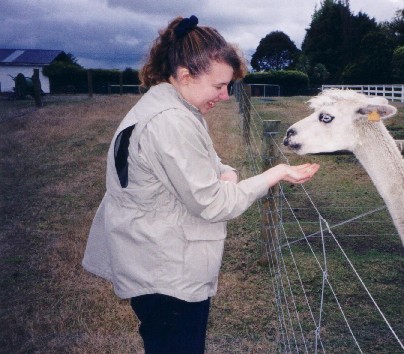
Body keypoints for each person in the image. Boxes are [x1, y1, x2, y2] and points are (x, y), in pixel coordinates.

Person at [82, 15, 319, 354]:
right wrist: (276, 173)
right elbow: (215, 203)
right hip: (166, 273)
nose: (224, 96)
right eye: (219, 86)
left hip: (152, 260)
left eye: (229, 87)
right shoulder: (171, 122)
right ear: (184, 76)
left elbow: (207, 165)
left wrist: (228, 175)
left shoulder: (169, 107)